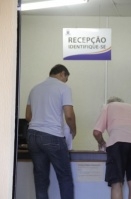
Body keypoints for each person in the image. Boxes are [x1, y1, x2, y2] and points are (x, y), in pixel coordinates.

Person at [25, 64, 76, 199]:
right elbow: (69, 115)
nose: (65, 81)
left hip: (33, 136)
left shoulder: (34, 89)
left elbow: (28, 116)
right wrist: (73, 131)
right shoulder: (63, 88)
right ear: (62, 74)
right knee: (64, 177)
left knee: (40, 179)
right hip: (52, 136)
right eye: (65, 78)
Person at [93, 96, 131, 199]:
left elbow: (96, 132)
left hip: (118, 142)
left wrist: (102, 143)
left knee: (116, 184)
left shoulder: (108, 107)